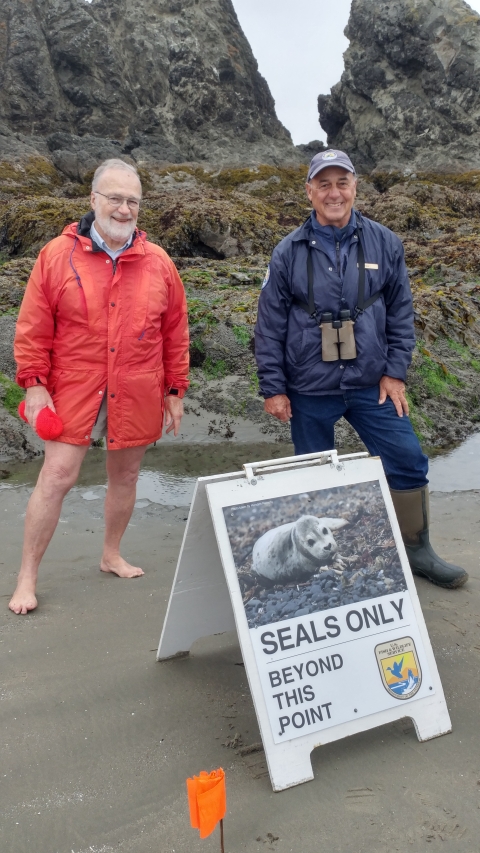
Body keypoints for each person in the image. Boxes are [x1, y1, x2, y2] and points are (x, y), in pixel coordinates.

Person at [255, 149, 467, 589]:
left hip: (372, 383)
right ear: (310, 191)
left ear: (355, 187)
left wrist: (395, 373)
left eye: (342, 183)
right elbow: (270, 323)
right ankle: (310, 568)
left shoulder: (385, 242)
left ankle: (417, 550)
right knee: (312, 477)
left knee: (408, 460)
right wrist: (273, 388)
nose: (335, 193)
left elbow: (402, 314)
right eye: (324, 184)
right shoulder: (287, 251)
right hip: (309, 387)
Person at [10, 158, 189, 615]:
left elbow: (175, 330)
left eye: (132, 201)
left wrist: (175, 390)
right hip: (74, 385)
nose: (124, 209)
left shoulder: (159, 263)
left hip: (137, 386)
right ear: (93, 200)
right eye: (115, 198)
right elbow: (33, 328)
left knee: (126, 475)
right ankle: (26, 578)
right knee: (56, 477)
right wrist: (34, 385)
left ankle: (111, 554)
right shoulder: (56, 255)